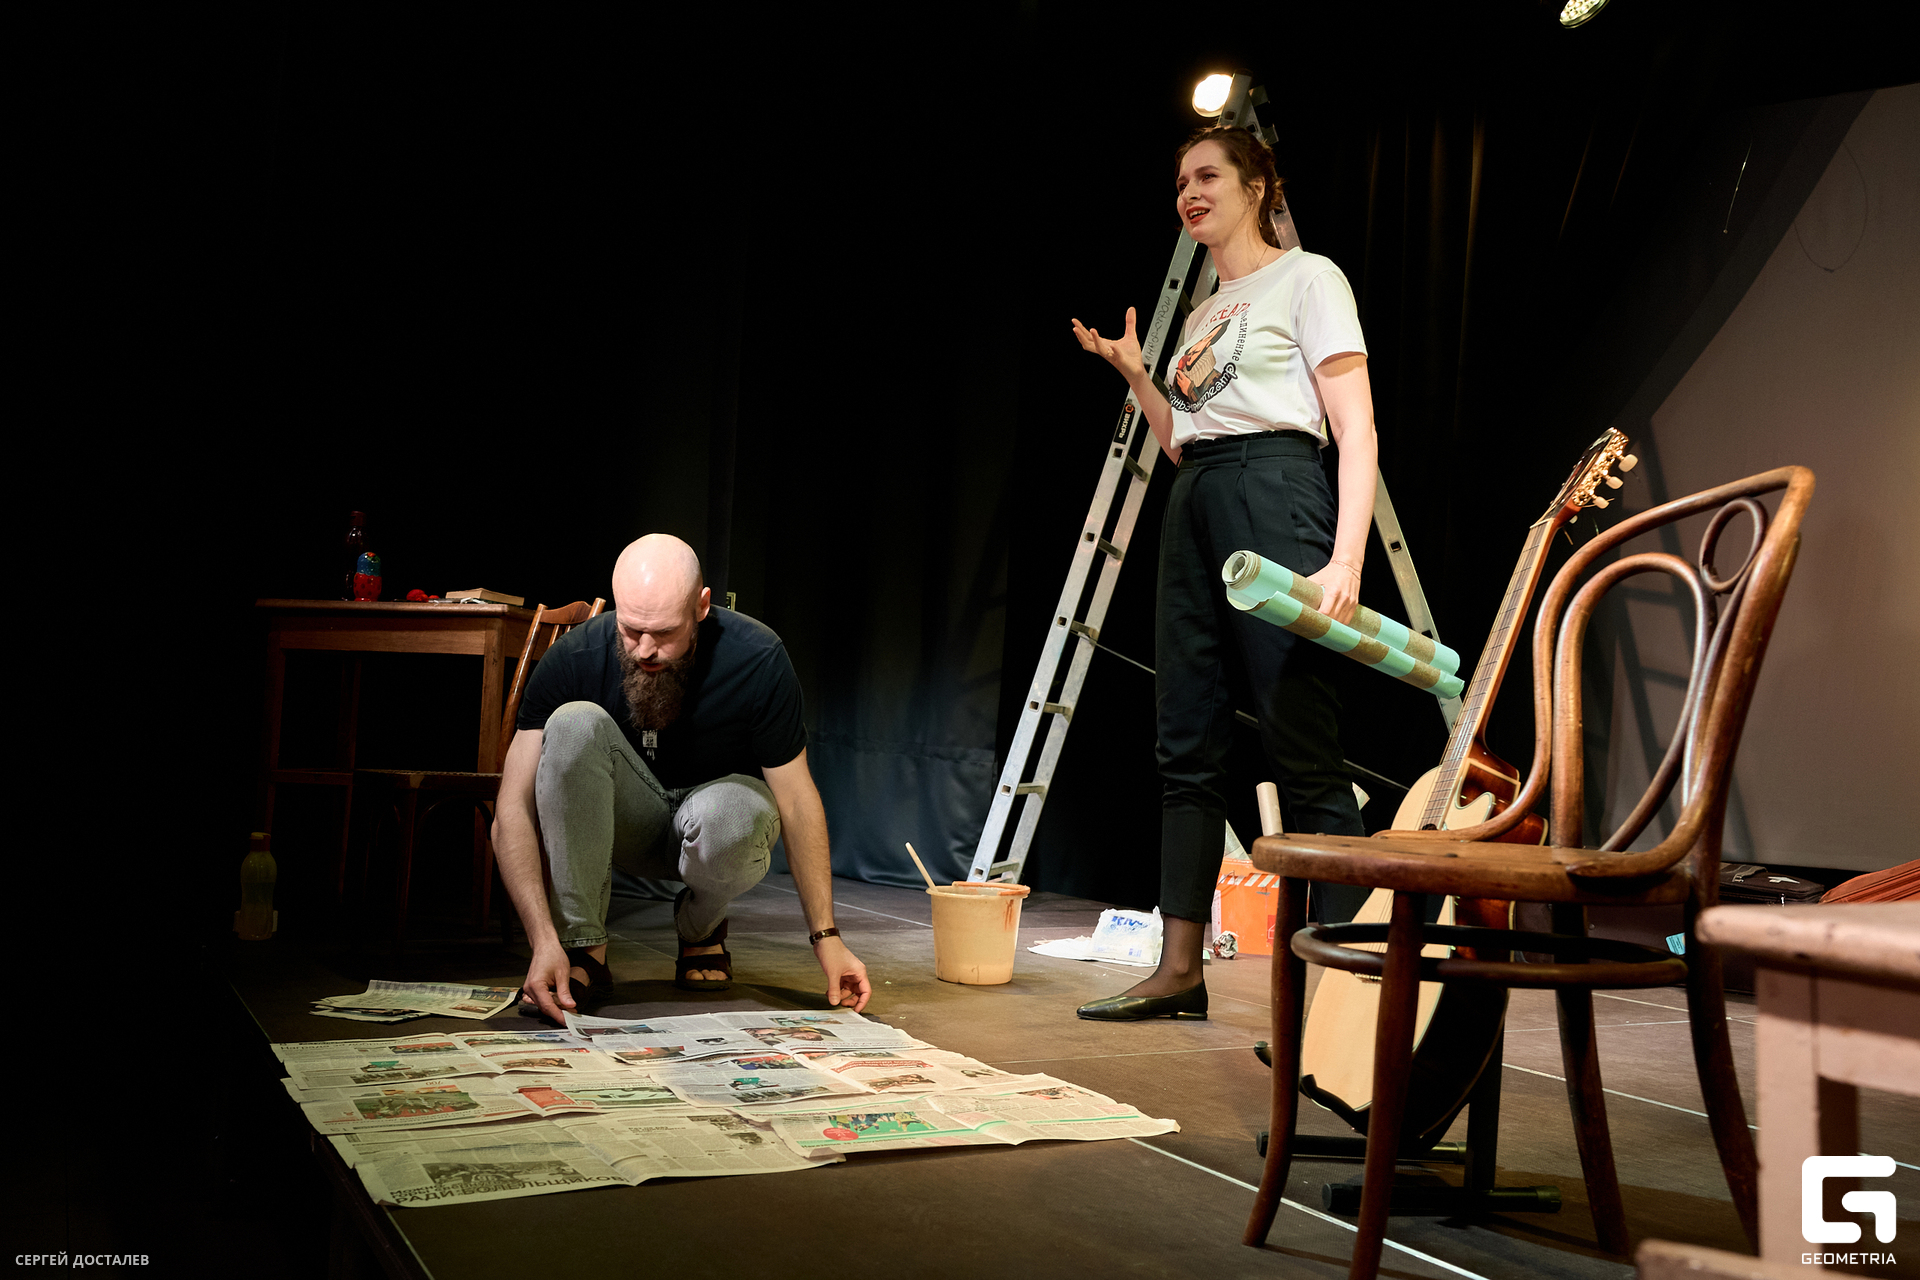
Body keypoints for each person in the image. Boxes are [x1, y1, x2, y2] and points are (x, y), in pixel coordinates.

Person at [1069, 125, 1377, 1021]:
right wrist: (1139, 377)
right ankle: (1178, 969)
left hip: (1276, 488)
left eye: (1207, 176)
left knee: (1300, 740)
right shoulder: (1205, 309)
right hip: (1196, 495)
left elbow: (1355, 427)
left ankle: (1357, 992)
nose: (1189, 193)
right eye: (1180, 183)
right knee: (1185, 738)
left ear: (1257, 187)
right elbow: (1184, 441)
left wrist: (1346, 558)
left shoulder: (1310, 278)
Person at [493, 533, 872, 1022]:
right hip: (617, 827)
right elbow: (511, 809)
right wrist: (543, 940)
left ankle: (700, 927)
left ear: (702, 606)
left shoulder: (758, 656)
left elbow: (797, 799)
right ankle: (582, 948)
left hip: (714, 828)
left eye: (665, 632)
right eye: (631, 631)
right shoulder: (574, 658)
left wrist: (827, 937)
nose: (646, 650)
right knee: (572, 723)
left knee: (734, 814)